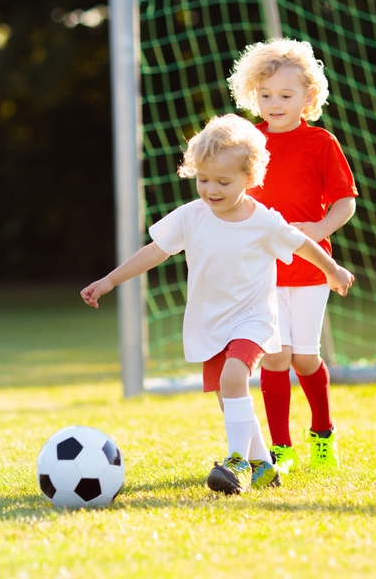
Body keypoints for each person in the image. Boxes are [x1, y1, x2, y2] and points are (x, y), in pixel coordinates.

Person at [80, 114, 354, 495]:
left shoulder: (264, 221)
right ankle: (263, 465)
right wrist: (110, 280)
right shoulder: (192, 216)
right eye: (203, 179)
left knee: (233, 379)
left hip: (254, 319)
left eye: (223, 182)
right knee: (229, 399)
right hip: (211, 323)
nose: (211, 190)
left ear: (250, 178)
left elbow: (302, 243)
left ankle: (236, 461)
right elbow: (155, 251)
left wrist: (332, 269)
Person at [228, 38, 359, 471]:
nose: (274, 103)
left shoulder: (321, 142)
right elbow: (232, 197)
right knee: (276, 357)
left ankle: (322, 432)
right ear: (253, 95)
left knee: (304, 357)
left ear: (308, 97)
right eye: (265, 95)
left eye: (285, 95)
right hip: (262, 271)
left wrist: (320, 229)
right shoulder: (248, 144)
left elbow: (345, 201)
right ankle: (280, 448)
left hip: (309, 267)